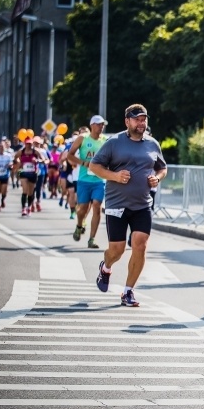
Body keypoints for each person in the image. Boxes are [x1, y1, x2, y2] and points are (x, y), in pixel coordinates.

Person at [90, 104, 167, 308]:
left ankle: (128, 291)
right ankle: (105, 267)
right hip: (117, 204)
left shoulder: (152, 144)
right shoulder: (114, 142)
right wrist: (114, 175)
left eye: (144, 119)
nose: (141, 123)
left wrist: (157, 179)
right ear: (127, 121)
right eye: (137, 119)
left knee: (140, 245)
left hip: (142, 204)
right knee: (117, 250)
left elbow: (162, 168)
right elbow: (94, 166)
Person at [68, 119, 108, 248]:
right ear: (91, 125)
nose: (101, 127)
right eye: (98, 124)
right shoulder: (83, 138)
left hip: (99, 180)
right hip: (84, 180)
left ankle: (92, 239)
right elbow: (70, 155)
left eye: (103, 125)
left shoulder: (105, 140)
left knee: (97, 206)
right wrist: (83, 163)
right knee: (82, 209)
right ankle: (79, 225)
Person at [12, 137, 45, 216]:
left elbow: (43, 160)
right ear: (25, 144)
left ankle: (29, 207)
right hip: (23, 172)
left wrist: (37, 161)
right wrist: (18, 163)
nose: (28, 145)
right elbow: (15, 158)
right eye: (27, 143)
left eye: (30, 144)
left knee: (30, 192)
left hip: (33, 173)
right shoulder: (21, 151)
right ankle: (23, 208)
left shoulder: (35, 151)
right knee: (25, 190)